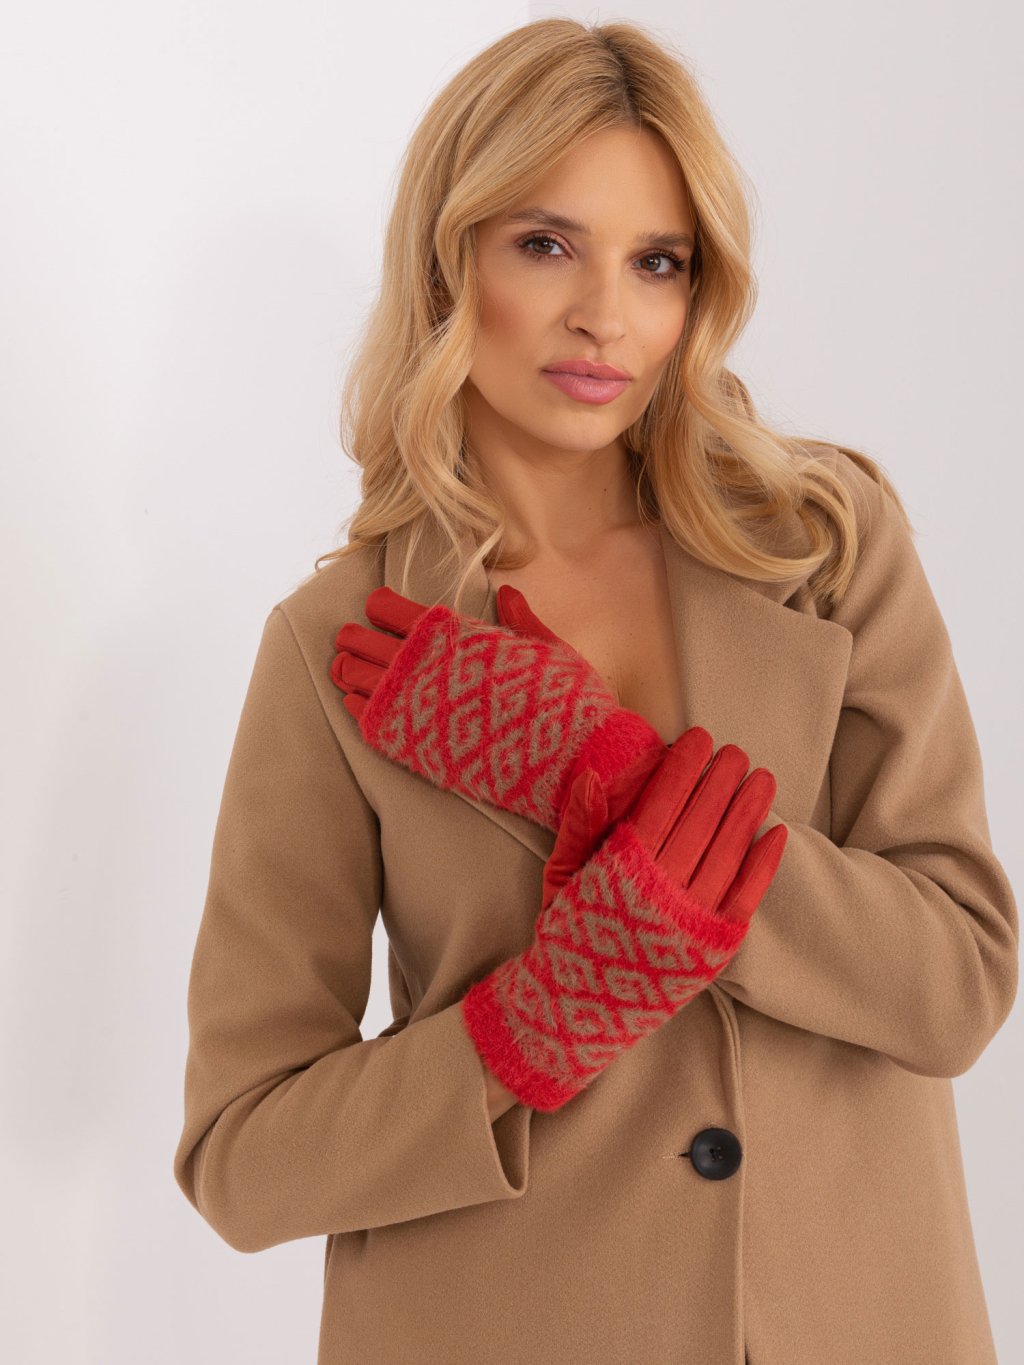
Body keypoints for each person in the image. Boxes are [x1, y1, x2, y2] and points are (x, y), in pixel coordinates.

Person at [172, 18, 1018, 1365]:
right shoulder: (344, 644)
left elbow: (958, 984)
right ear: (451, 259)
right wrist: (529, 1028)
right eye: (547, 244)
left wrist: (612, 780)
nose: (605, 316)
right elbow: (243, 1157)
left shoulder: (821, 544)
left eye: (656, 262)